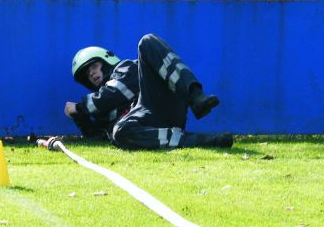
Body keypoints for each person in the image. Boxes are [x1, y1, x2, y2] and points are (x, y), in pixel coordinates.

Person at [64, 33, 233, 150]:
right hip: (147, 126)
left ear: (106, 60)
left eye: (94, 66)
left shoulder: (126, 68)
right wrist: (79, 117)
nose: (91, 74)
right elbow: (97, 136)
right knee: (120, 133)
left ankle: (196, 96)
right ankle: (206, 141)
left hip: (159, 103)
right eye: (87, 74)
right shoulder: (100, 110)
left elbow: (116, 92)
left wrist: (80, 107)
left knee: (147, 41)